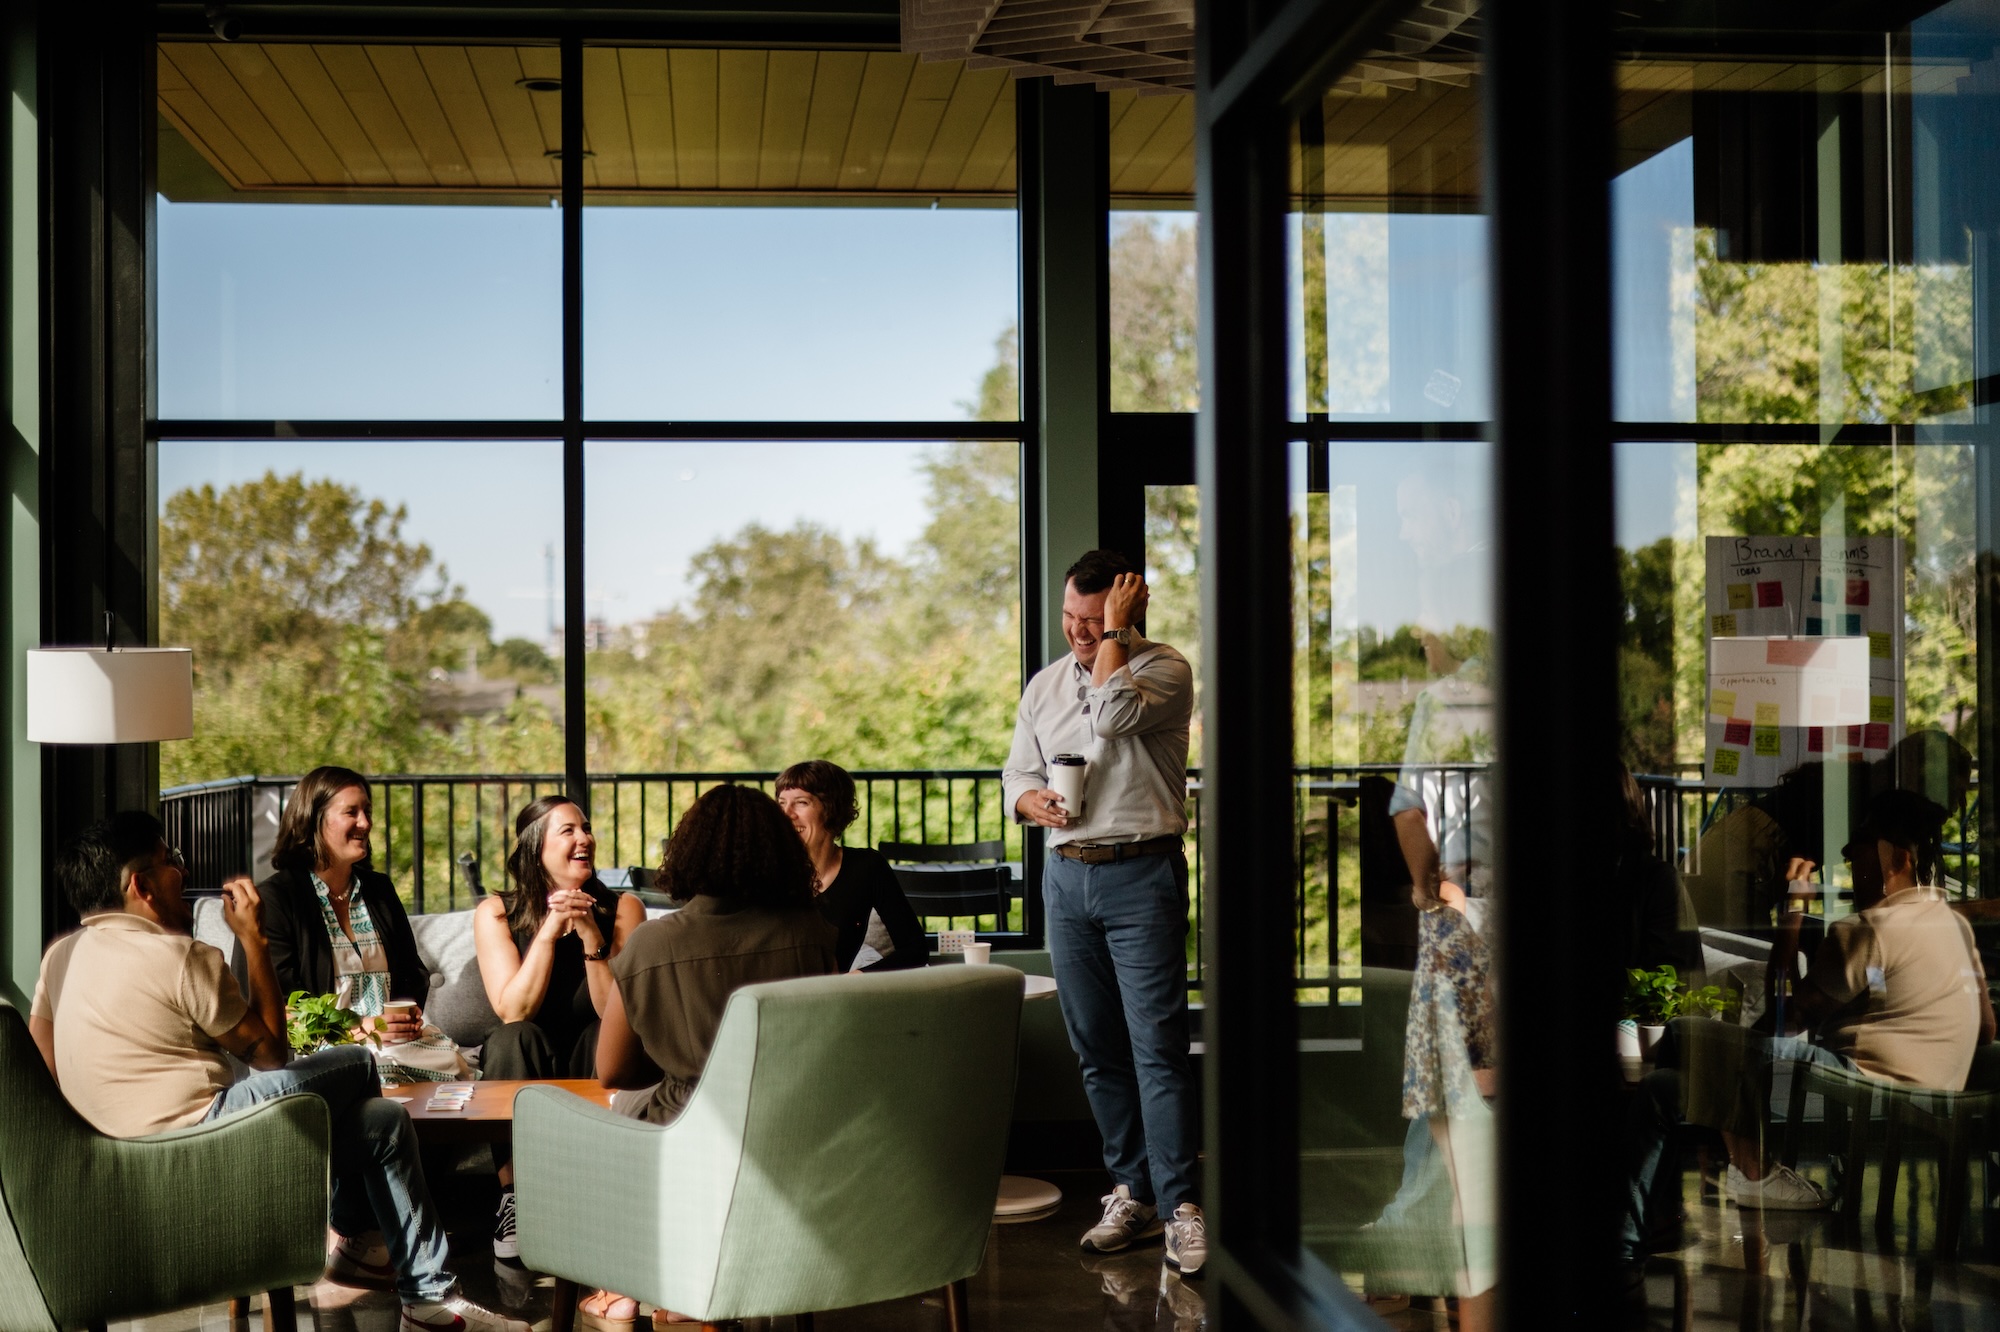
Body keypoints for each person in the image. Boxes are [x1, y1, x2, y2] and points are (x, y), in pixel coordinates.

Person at [27, 811, 526, 1332]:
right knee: (356, 1061)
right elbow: (269, 1056)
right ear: (141, 886)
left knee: (382, 1122)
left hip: (112, 1168)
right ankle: (359, 1232)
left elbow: (44, 1068)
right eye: (169, 860)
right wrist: (254, 940)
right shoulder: (182, 955)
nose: (181, 868)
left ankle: (425, 1300)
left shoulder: (60, 956)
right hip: (203, 1145)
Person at [1620, 787, 1996, 1263]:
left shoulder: (1869, 929)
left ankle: (1744, 1173)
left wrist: (1794, 910)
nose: (1852, 875)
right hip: (1935, 1087)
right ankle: (1726, 1177)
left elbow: (1781, 1019)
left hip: (1862, 1082)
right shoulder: (1954, 925)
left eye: (1859, 862)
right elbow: (1985, 1028)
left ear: (1897, 860)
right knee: (1671, 1083)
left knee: (1681, 1043)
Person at [1001, 549, 1204, 1276]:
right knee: (1097, 1050)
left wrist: (1116, 637)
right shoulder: (1044, 685)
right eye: (1072, 619)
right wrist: (1029, 800)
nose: (1080, 634)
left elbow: (1114, 715)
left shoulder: (1165, 670)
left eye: (1096, 621)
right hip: (1066, 876)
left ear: (1125, 613)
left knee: (1157, 1047)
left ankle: (1183, 1206)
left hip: (1140, 873)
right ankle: (1133, 1192)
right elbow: (1017, 772)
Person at [594, 784, 838, 1329]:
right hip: (793, 1136)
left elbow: (612, 1070)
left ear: (689, 850)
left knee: (625, 1108)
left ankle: (648, 1282)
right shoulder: (813, 934)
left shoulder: (651, 947)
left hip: (691, 1140)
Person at [473, 795, 646, 1272]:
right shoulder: (496, 912)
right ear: (536, 847)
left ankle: (599, 1201)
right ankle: (515, 1200)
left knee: (603, 1031)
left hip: (594, 1055)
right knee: (511, 1037)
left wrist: (592, 937)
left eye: (585, 828)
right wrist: (550, 931)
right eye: (568, 830)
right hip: (530, 1062)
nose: (584, 838)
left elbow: (617, 1012)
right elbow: (513, 1008)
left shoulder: (624, 908)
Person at [258, 766, 428, 1046]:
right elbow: (279, 1005)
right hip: (322, 1052)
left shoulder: (379, 889)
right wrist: (359, 1029)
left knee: (458, 1072)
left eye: (367, 812)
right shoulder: (276, 900)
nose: (365, 823)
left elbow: (413, 974)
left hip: (395, 1047)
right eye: (351, 812)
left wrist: (403, 1021)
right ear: (313, 820)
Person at [776, 759, 926, 971]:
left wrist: (858, 977)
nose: (786, 813)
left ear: (830, 809)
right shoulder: (768, 870)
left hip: (835, 997)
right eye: (781, 803)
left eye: (801, 802)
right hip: (774, 996)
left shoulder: (867, 867)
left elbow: (915, 949)